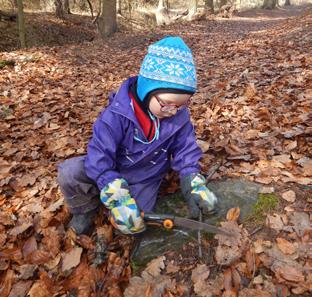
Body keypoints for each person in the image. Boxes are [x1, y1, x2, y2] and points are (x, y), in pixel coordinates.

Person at [57, 36, 218, 235]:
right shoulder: (116, 116)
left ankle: (119, 213)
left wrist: (192, 181)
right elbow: (99, 156)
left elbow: (186, 149)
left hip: (145, 176)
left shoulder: (178, 116)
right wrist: (117, 196)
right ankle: (84, 210)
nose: (173, 111)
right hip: (113, 168)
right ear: (147, 90)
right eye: (167, 104)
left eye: (181, 105)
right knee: (70, 172)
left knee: (136, 222)